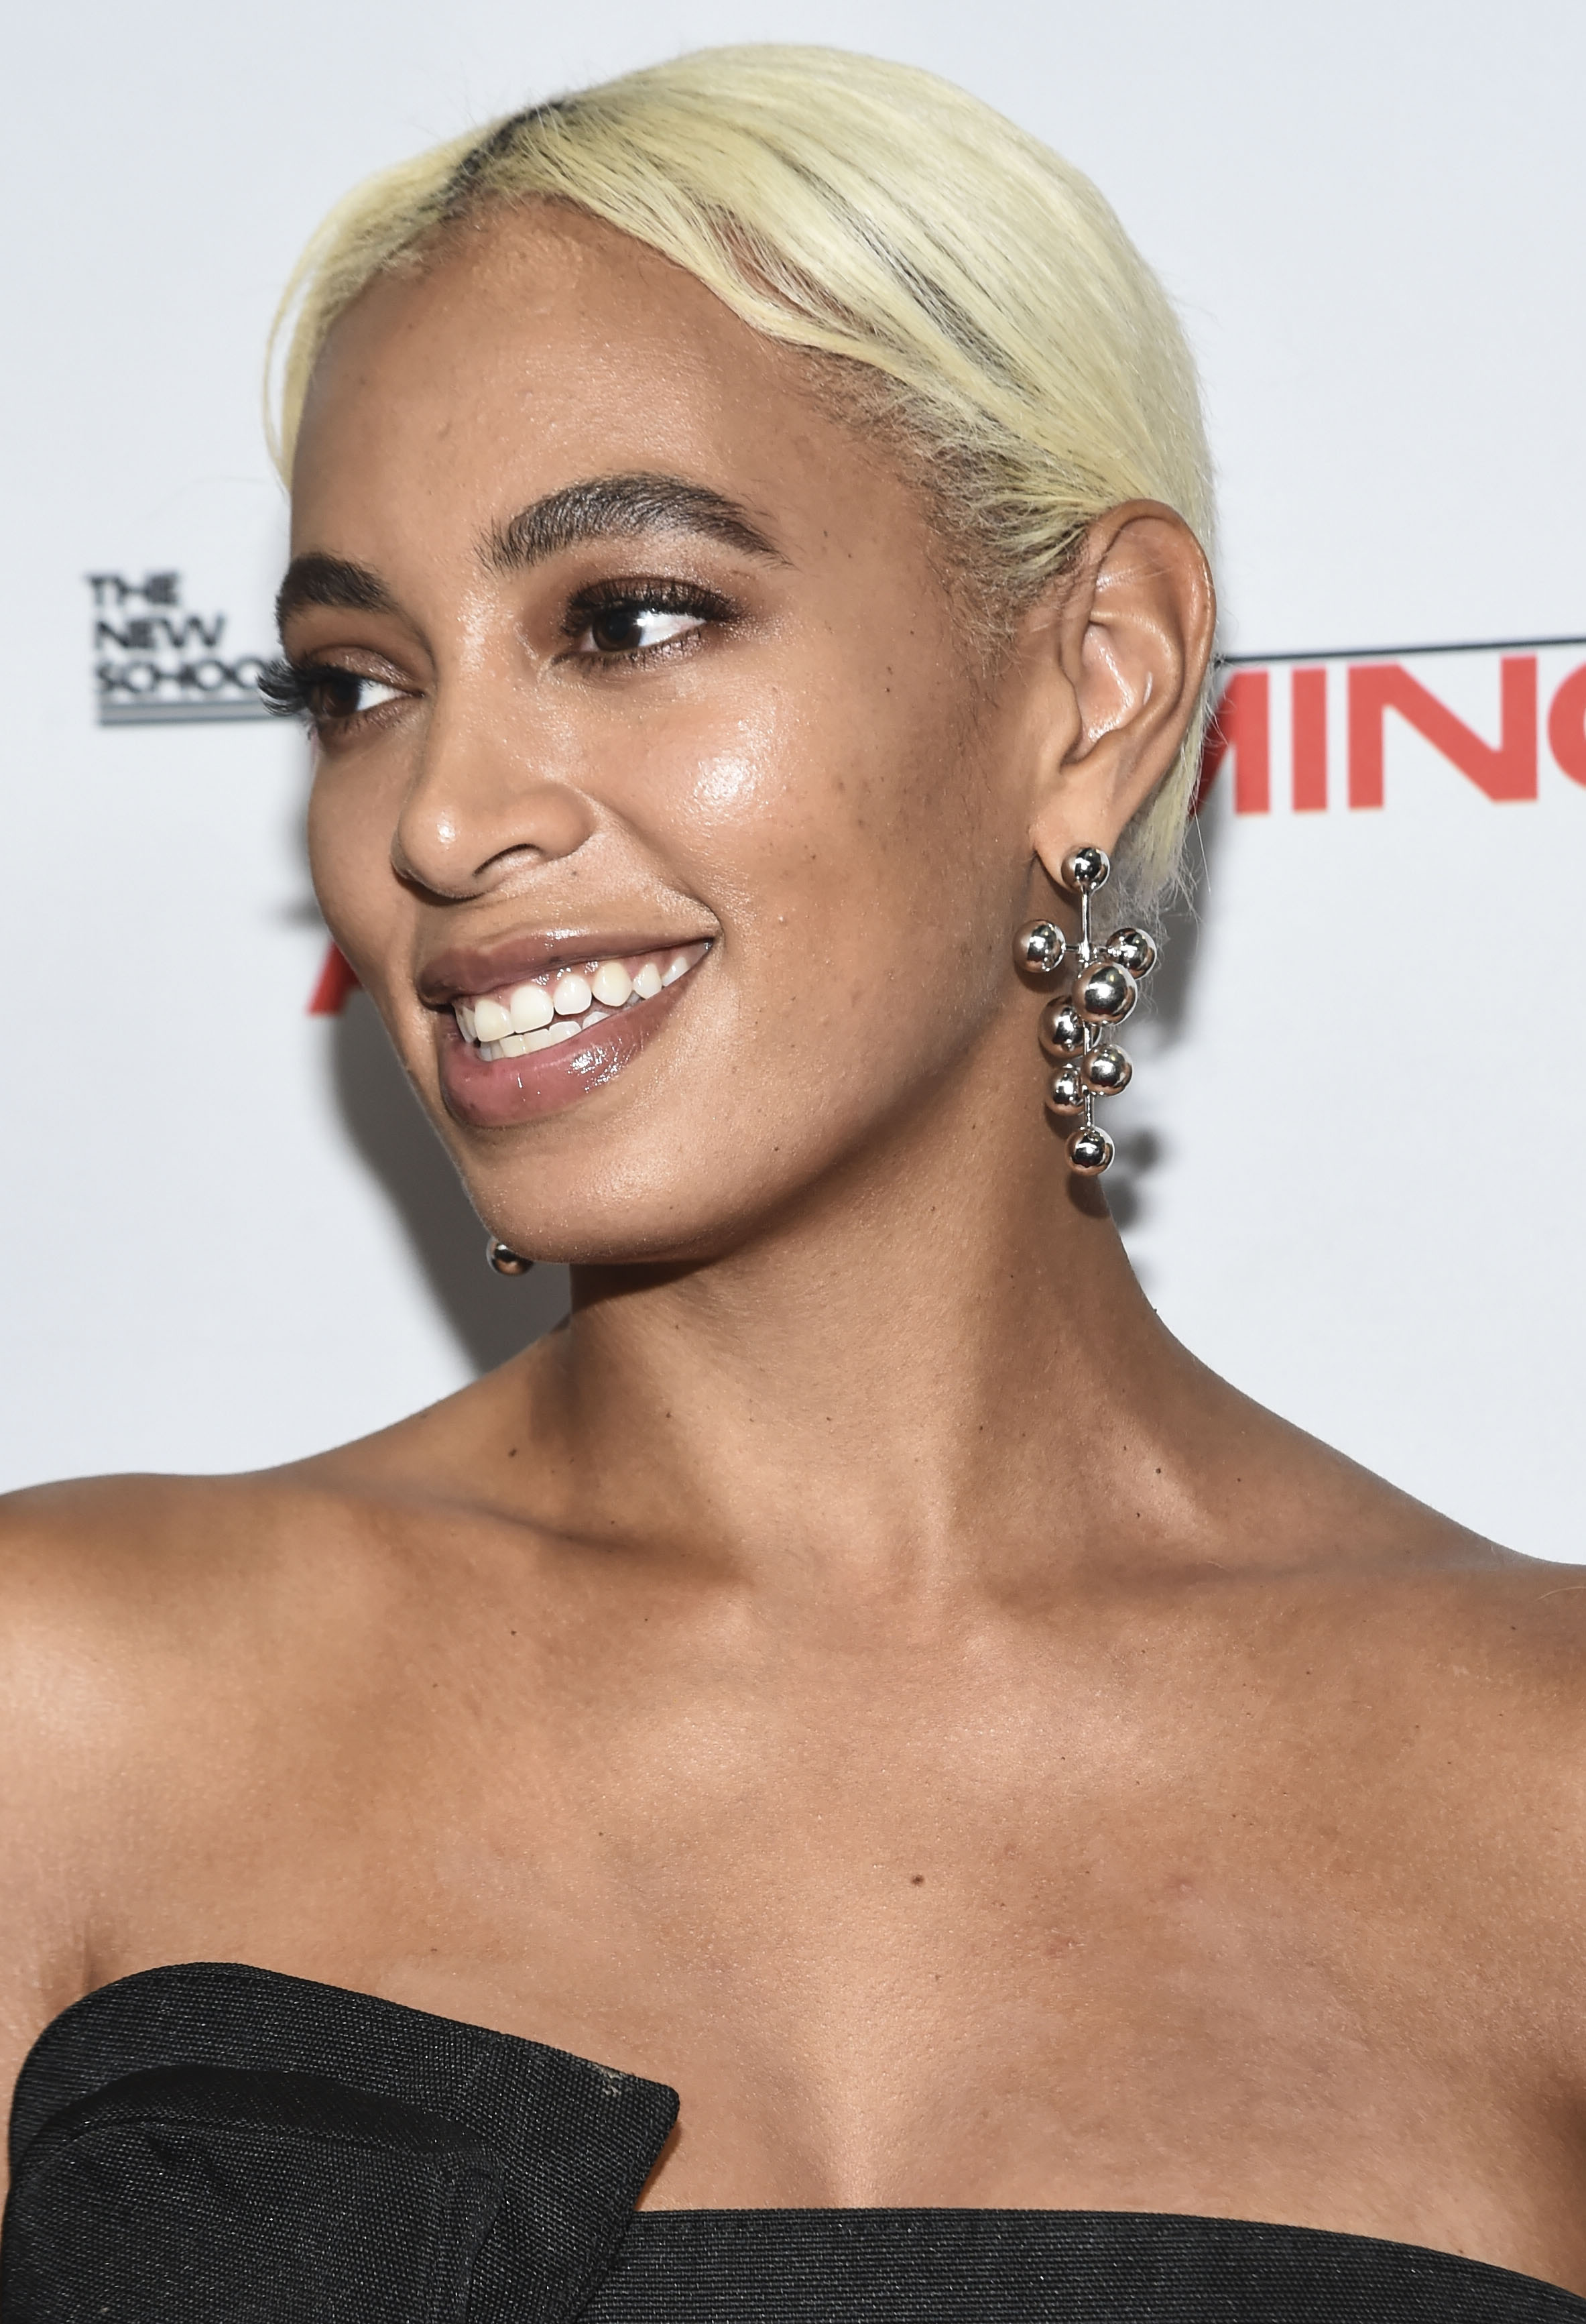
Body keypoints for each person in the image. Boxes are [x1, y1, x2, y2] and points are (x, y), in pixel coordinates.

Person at [2, 44, 1582, 2323]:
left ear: (1097, 680)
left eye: (629, 619)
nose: (439, 819)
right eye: (359, 681)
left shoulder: (1549, 1788)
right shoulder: (71, 1701)